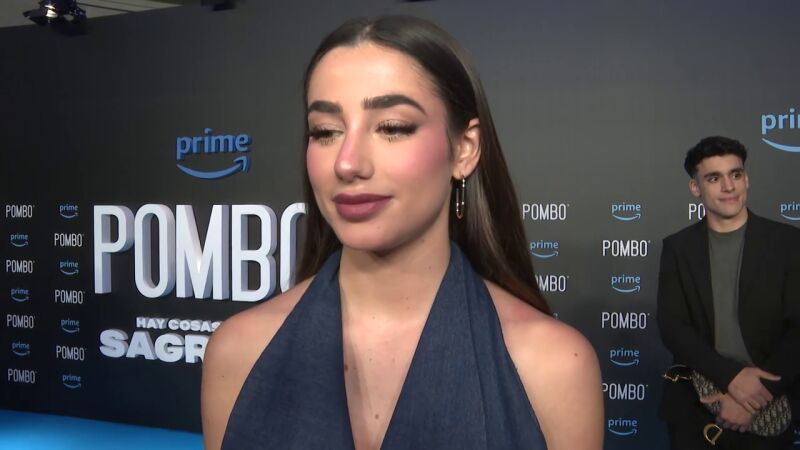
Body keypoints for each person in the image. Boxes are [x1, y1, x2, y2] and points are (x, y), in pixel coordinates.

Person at [202, 15, 603, 450]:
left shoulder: (551, 367)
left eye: (392, 128)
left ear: (464, 149)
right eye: (326, 132)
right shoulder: (239, 352)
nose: (347, 163)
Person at [657, 136, 800, 449]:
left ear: (746, 179)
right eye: (713, 178)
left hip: (772, 405)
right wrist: (732, 378)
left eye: (735, 174)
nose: (728, 186)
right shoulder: (678, 248)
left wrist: (756, 395)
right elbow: (672, 327)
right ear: (695, 187)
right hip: (695, 408)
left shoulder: (789, 243)